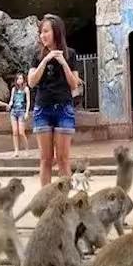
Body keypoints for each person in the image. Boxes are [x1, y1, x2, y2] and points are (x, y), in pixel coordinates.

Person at [28, 14, 81, 187]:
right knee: (45, 159)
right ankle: (46, 201)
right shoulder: (37, 55)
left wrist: (63, 62)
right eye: (41, 32)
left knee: (63, 159)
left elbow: (74, 84)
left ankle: (66, 201)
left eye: (46, 31)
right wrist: (45, 59)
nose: (42, 35)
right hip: (43, 109)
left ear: (56, 32)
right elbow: (31, 81)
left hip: (64, 109)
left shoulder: (70, 54)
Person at [6, 74, 30, 158]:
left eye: (21, 78)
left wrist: (27, 112)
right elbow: (12, 99)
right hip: (14, 111)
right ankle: (16, 150)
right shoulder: (14, 89)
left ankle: (26, 149)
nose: (19, 80)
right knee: (15, 132)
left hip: (21, 111)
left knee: (21, 132)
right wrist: (9, 104)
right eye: (18, 78)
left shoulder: (26, 89)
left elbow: (28, 101)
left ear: (23, 80)